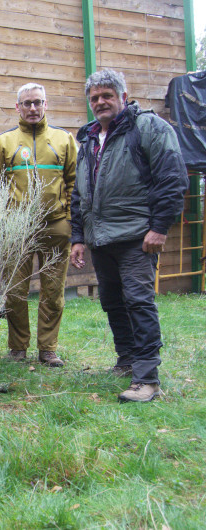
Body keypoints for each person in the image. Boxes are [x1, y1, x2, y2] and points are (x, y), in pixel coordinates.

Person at [70, 69, 188, 402]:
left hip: (138, 236)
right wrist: (78, 237)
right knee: (112, 302)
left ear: (123, 96)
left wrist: (160, 227)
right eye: (94, 98)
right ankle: (126, 359)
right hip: (101, 238)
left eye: (107, 95)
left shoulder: (149, 128)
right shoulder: (90, 139)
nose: (100, 102)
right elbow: (80, 193)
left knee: (138, 302)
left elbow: (173, 178)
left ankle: (147, 379)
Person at [0, 82, 78, 368]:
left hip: (56, 226)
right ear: (18, 107)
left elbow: (75, 182)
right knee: (15, 290)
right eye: (27, 103)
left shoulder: (64, 139)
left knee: (53, 291)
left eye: (38, 102)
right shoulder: (4, 141)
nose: (33, 108)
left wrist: (69, 217)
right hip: (16, 228)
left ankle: (48, 349)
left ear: (46, 105)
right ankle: (18, 347)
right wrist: (1, 216)